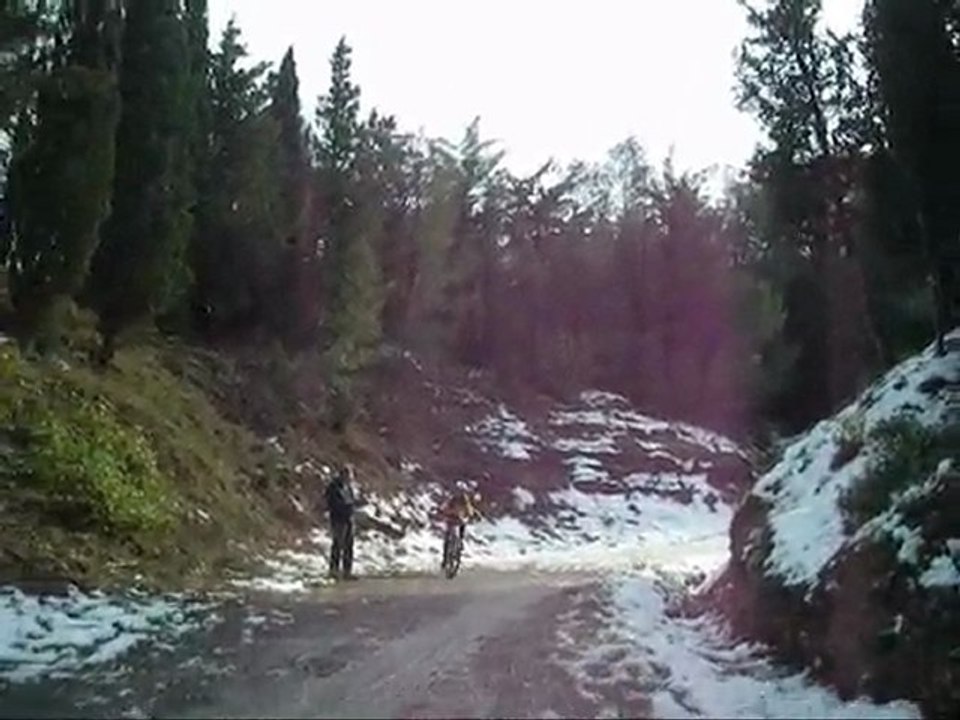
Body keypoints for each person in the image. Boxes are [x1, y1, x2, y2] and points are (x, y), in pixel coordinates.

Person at [325, 463, 357, 580]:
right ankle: (334, 570)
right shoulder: (334, 487)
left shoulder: (348, 487)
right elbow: (333, 503)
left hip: (348, 519)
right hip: (338, 519)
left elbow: (352, 500)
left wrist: (353, 507)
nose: (350, 479)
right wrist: (346, 507)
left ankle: (347, 571)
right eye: (349, 476)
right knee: (337, 545)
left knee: (349, 545)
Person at [439, 483, 482, 552]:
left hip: (458, 519)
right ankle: (447, 551)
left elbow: (469, 509)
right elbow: (445, 506)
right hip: (452, 518)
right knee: (448, 535)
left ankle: (459, 543)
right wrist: (442, 511)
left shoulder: (464, 500)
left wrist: (471, 515)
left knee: (459, 530)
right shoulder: (453, 499)